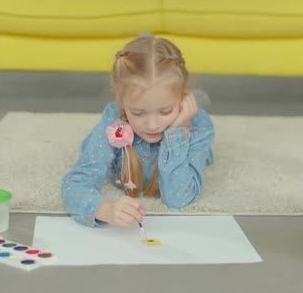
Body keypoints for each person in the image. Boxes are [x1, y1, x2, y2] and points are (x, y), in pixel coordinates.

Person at [61, 36, 215, 228]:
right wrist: (105, 209)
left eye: (165, 111)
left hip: (188, 137)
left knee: (204, 156)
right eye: (138, 112)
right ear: (121, 100)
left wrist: (176, 132)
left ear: (183, 97)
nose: (152, 125)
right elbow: (76, 181)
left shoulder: (199, 125)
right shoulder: (113, 119)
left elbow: (178, 200)